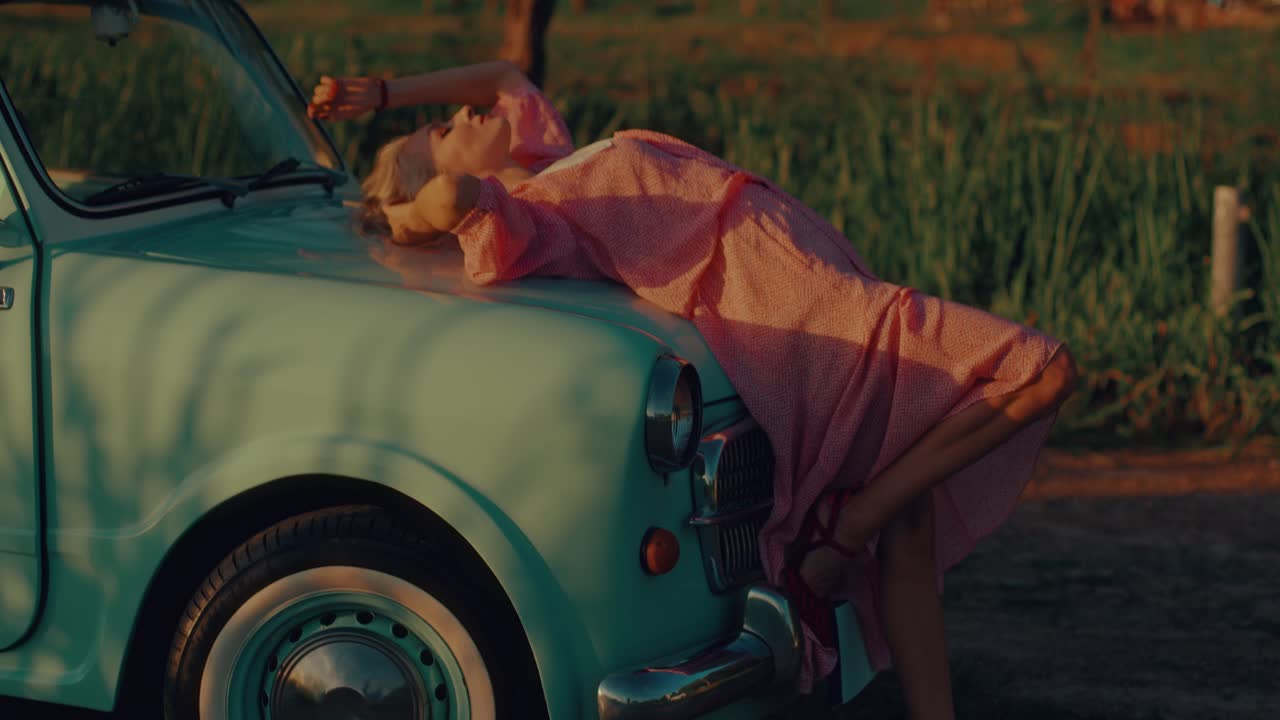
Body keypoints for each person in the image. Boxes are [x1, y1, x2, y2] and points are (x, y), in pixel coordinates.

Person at [310, 61, 1079, 719]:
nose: (462, 115)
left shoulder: (552, 157)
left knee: (910, 530)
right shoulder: (530, 217)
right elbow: (444, 206)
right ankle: (844, 535)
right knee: (1039, 370)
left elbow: (505, 78)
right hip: (803, 315)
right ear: (435, 171)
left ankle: (883, 594)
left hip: (819, 279)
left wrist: (381, 94)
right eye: (441, 132)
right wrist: (401, 209)